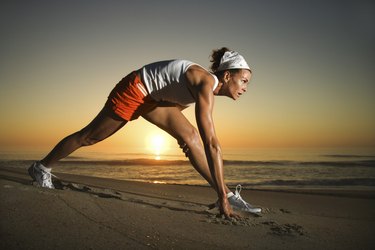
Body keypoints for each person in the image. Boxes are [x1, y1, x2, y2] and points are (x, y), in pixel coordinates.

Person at [28, 47, 261, 218]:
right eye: (243, 80)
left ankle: (228, 195)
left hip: (154, 98)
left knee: (189, 136)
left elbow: (173, 97)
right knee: (90, 136)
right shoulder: (204, 84)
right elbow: (212, 144)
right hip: (135, 90)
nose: (245, 88)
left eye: (248, 83)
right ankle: (42, 167)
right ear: (227, 75)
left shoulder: (205, 85)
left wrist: (177, 130)